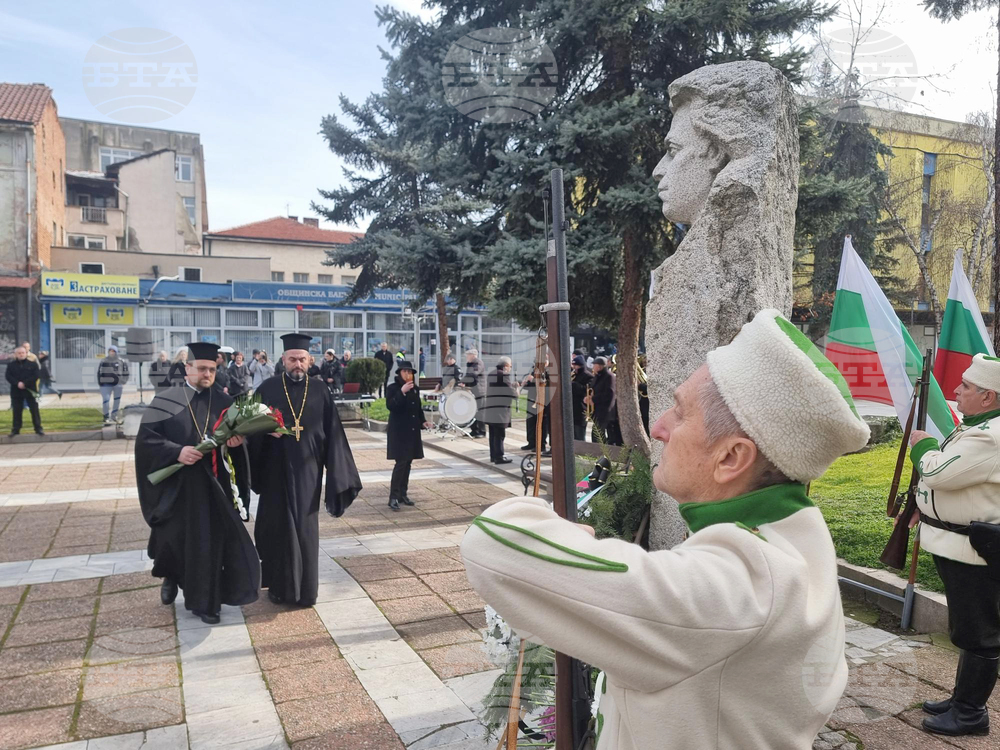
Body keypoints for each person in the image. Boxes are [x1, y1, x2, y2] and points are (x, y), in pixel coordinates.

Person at [461, 309, 871, 750]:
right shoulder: (797, 531)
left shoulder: (738, 585)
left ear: (731, 458)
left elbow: (494, 541)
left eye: (679, 411)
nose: (658, 427)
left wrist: (582, 539)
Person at [135, 342, 259, 625]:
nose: (207, 374)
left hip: (214, 486)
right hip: (178, 488)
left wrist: (238, 442)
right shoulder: (165, 400)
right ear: (187, 368)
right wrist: (176, 451)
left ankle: (207, 603)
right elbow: (147, 441)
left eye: (212, 369)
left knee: (209, 542)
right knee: (173, 539)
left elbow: (238, 441)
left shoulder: (225, 403)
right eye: (202, 368)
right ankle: (170, 576)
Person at [908, 353, 1000, 736]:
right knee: (966, 626)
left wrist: (922, 445)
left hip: (973, 552)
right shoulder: (977, 426)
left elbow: (938, 471)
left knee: (979, 632)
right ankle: (962, 698)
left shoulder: (989, 436)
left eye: (966, 387)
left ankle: (971, 713)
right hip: (957, 546)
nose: (956, 391)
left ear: (988, 397)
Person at [250, 333, 362, 607]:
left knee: (305, 530)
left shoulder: (320, 390)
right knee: (278, 529)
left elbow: (334, 434)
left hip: (309, 473)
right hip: (275, 471)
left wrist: (339, 475)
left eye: (302, 359)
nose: (297, 364)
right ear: (283, 360)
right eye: (292, 359)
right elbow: (248, 428)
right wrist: (264, 432)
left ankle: (307, 592)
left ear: (310, 360)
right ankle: (279, 589)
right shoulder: (267, 388)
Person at [385, 359, 434, 511]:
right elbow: (391, 405)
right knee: (400, 463)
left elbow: (417, 409)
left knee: (408, 464)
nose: (408, 374)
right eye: (405, 371)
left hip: (412, 432)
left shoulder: (415, 389)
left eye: (410, 372)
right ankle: (393, 497)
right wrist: (402, 392)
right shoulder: (393, 388)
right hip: (399, 432)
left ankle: (402, 494)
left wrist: (423, 422)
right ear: (399, 373)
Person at [484, 357, 518, 464]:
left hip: (491, 407)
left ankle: (493, 456)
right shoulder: (503, 375)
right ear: (506, 366)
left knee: (493, 433)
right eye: (510, 366)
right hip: (500, 409)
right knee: (499, 434)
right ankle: (499, 456)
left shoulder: (492, 373)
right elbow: (510, 392)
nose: (510, 368)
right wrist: (516, 390)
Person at [6, 346, 43, 437]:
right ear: (16, 354)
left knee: (34, 410)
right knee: (17, 411)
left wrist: (25, 383)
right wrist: (17, 383)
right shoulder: (11, 365)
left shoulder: (33, 364)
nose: (21, 354)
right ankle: (16, 429)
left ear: (26, 353)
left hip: (30, 390)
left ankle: (38, 428)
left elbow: (36, 376)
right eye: (19, 353)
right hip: (16, 391)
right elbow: (8, 376)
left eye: (23, 353)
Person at [589, 357, 622, 446]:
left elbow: (609, 394)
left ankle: (600, 452)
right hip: (597, 410)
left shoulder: (609, 377)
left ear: (599, 366)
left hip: (605, 410)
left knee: (598, 433)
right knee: (597, 433)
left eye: (594, 365)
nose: (593, 367)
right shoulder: (597, 376)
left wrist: (593, 399)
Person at [520, 361, 550, 455]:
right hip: (531, 399)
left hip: (541, 400)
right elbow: (531, 386)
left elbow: (544, 384)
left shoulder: (547, 372)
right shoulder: (534, 371)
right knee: (530, 422)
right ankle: (531, 442)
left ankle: (541, 445)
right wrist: (525, 383)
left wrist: (533, 379)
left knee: (540, 423)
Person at [98, 345, 130, 426]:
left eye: (113, 351)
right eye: (110, 351)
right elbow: (99, 372)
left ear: (116, 352)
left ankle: (114, 416)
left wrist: (124, 381)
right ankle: (106, 416)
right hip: (105, 384)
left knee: (117, 400)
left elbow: (126, 372)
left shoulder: (121, 361)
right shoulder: (104, 361)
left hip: (118, 384)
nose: (111, 353)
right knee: (106, 400)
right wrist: (100, 382)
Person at [460, 348, 487, 438]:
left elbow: (473, 374)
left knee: (480, 411)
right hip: (472, 390)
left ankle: (482, 431)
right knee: (472, 411)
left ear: (473, 355)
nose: (466, 357)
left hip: (479, 390)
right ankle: (474, 430)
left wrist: (462, 381)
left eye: (467, 355)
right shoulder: (471, 364)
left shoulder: (478, 363)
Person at [570, 355, 594, 441]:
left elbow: (586, 389)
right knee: (571, 434)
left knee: (579, 433)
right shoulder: (574, 374)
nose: (574, 367)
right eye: (573, 365)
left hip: (581, 408)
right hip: (572, 407)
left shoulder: (588, 376)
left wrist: (573, 384)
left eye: (576, 365)